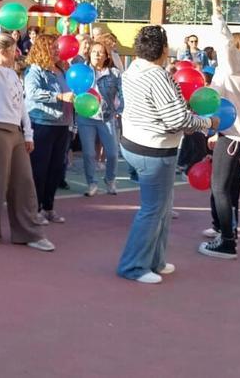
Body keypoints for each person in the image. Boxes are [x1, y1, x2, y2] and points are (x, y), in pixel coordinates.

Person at [117, 25, 216, 284]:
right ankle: (134, 266)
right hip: (154, 149)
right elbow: (176, 119)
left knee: (160, 208)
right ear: (162, 50)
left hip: (135, 143)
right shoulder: (157, 76)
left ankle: (154, 261)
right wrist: (208, 123)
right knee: (153, 210)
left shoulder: (132, 71)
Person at [0, 30, 54, 252]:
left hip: (15, 131)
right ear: (2, 52)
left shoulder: (13, 75)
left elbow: (21, 106)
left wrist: (28, 134)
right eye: (12, 50)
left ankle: (28, 232)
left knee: (24, 181)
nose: (15, 54)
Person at [197, 0, 240, 260]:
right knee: (230, 187)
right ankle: (228, 231)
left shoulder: (236, 65)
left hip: (233, 136)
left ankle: (227, 242)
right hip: (231, 133)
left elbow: (223, 42)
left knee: (219, 187)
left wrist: (216, 7)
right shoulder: (234, 72)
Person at [23, 33, 73, 223]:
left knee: (55, 168)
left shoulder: (61, 70)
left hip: (62, 125)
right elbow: (33, 93)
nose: (57, 50)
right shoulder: (35, 70)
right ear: (44, 49)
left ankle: (49, 207)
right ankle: (33, 209)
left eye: (57, 47)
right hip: (42, 124)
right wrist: (58, 97)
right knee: (39, 168)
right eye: (53, 47)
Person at [77, 40, 121, 196]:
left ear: (106, 56)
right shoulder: (83, 70)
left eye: (100, 52)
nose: (97, 54)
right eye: (94, 51)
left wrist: (119, 109)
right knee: (89, 153)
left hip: (107, 117)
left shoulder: (114, 73)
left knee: (112, 153)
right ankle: (91, 183)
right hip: (85, 117)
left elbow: (122, 94)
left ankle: (110, 180)